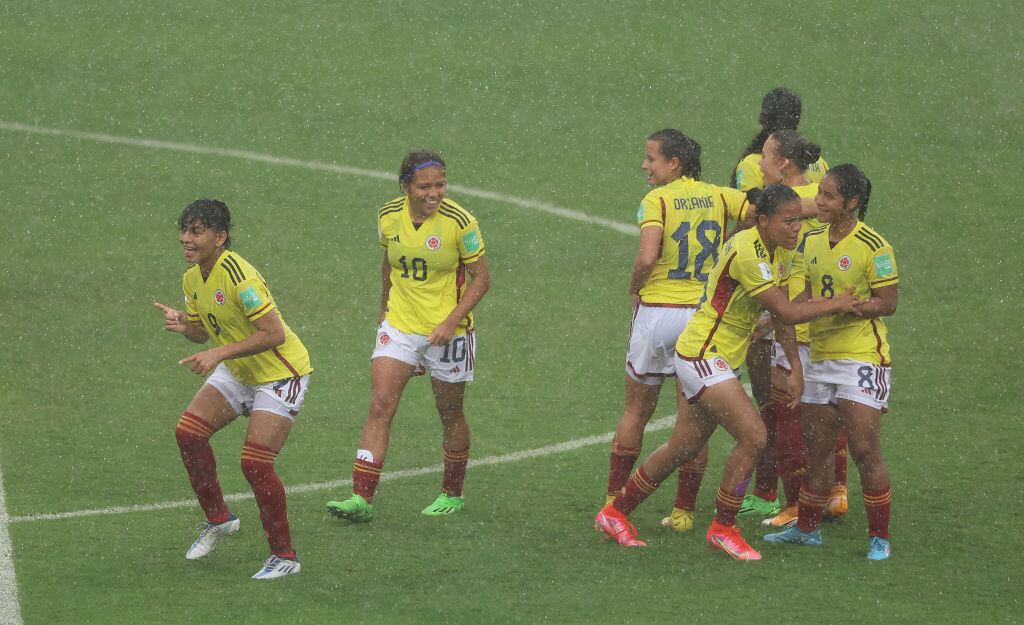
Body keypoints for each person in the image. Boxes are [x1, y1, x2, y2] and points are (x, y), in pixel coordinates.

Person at [595, 185, 857, 560]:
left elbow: (783, 316)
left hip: (715, 355)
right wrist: (840, 303)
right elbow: (785, 312)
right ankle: (723, 527)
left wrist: (795, 367)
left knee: (682, 446)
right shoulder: (748, 251)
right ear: (763, 220)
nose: (797, 227)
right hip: (703, 354)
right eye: (788, 220)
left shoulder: (780, 251)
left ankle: (615, 512)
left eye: (799, 219)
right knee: (754, 436)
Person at [327, 150, 490, 522]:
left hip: (448, 334)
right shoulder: (388, 216)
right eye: (425, 187)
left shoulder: (459, 221)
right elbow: (389, 263)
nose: (434, 194)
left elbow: (482, 278)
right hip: (400, 325)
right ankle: (361, 498)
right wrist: (384, 308)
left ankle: (452, 493)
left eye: (440, 185)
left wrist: (451, 322)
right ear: (406, 187)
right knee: (380, 404)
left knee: (450, 413)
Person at [154, 199, 312, 580]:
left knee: (256, 463)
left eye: (196, 231)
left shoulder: (241, 277)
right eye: (185, 231)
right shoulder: (193, 277)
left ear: (220, 237)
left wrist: (218, 353)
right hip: (240, 370)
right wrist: (184, 325)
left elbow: (272, 334)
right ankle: (219, 519)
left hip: (280, 373)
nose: (186, 239)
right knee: (188, 435)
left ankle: (285, 556)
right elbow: (200, 330)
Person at [605, 129, 752, 533]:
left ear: (675, 164)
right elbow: (766, 211)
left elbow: (648, 256)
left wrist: (635, 287)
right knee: (693, 420)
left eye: (651, 159)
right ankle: (684, 511)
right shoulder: (721, 196)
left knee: (636, 410)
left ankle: (613, 500)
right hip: (702, 319)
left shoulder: (656, 200)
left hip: (658, 313)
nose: (645, 166)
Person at [764, 165, 898, 561]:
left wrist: (853, 308)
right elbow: (802, 298)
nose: (818, 202)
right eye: (819, 194)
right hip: (820, 357)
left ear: (852, 203)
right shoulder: (809, 241)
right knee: (818, 448)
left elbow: (888, 302)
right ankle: (807, 528)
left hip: (861, 358)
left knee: (863, 448)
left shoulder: (876, 246)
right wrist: (774, 318)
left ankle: (879, 538)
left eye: (828, 196)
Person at [755, 129, 850, 526]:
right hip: (829, 320)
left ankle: (795, 505)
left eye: (765, 156)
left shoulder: (785, 208)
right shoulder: (824, 197)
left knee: (788, 414)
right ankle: (835, 492)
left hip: (794, 317)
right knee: (828, 411)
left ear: (783, 163)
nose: (759, 164)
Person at [731, 87, 829, 192]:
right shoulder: (818, 162)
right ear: (798, 122)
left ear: (762, 119)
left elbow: (747, 207)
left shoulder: (750, 165)